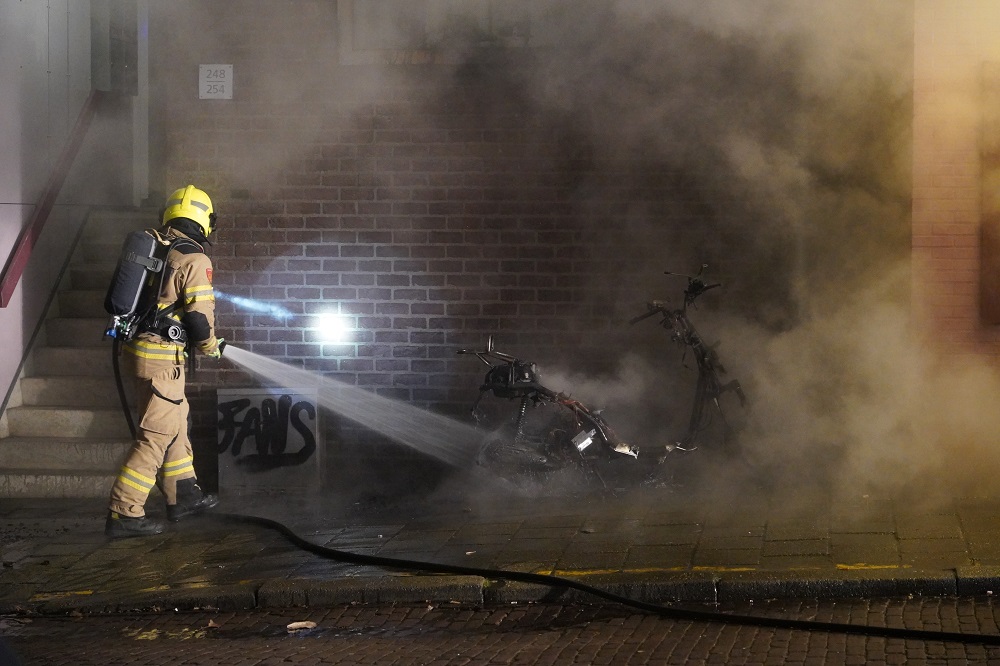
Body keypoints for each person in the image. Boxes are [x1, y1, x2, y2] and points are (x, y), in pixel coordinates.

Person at [105, 185, 225, 538]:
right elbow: (199, 319)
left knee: (175, 421)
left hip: (140, 351)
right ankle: (124, 511)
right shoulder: (194, 259)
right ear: (204, 220)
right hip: (162, 359)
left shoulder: (155, 245)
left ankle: (183, 494)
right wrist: (210, 346)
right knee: (155, 436)